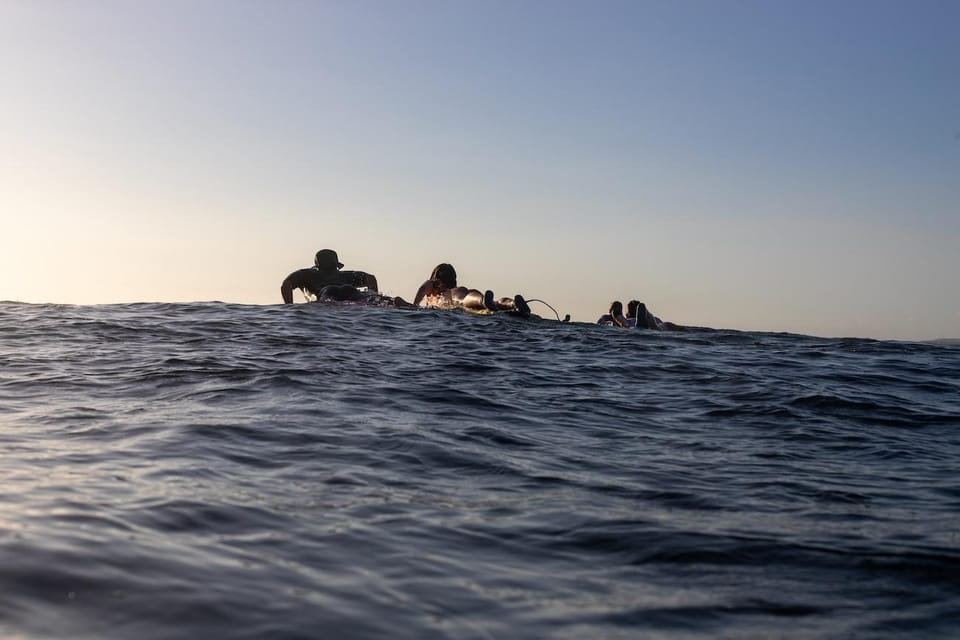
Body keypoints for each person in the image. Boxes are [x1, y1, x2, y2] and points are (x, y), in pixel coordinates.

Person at [412, 263, 531, 317]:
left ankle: (483, 301)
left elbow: (422, 289)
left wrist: (414, 306)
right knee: (494, 302)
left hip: (458, 297)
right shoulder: (456, 288)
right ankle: (513, 303)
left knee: (463, 300)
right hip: (468, 292)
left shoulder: (435, 285)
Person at [281, 249, 379, 304]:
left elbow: (286, 285)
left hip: (327, 292)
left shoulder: (306, 274)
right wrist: (374, 296)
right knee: (368, 299)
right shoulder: (347, 275)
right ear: (337, 265)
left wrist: (289, 306)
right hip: (350, 290)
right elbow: (371, 278)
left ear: (316, 265)